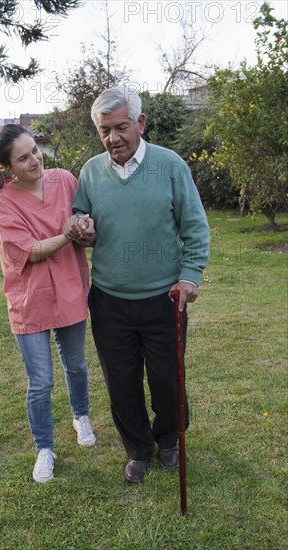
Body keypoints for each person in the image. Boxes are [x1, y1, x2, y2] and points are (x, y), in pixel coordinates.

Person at [64, 86, 210, 483]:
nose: (113, 138)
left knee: (167, 380)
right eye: (104, 130)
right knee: (121, 383)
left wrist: (189, 276)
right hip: (109, 300)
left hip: (164, 298)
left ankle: (168, 440)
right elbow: (80, 216)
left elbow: (195, 227)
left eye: (121, 127)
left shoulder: (170, 165)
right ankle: (138, 449)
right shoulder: (91, 171)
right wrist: (80, 226)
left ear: (140, 123)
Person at [0, 124, 96, 484]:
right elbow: (28, 252)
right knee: (41, 382)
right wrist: (66, 234)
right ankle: (45, 448)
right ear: (7, 167)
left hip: (71, 288)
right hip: (29, 299)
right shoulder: (2, 200)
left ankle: (81, 416)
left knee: (76, 364)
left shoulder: (65, 179)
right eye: (23, 157)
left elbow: (89, 231)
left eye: (35, 150)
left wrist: (87, 230)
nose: (34, 160)